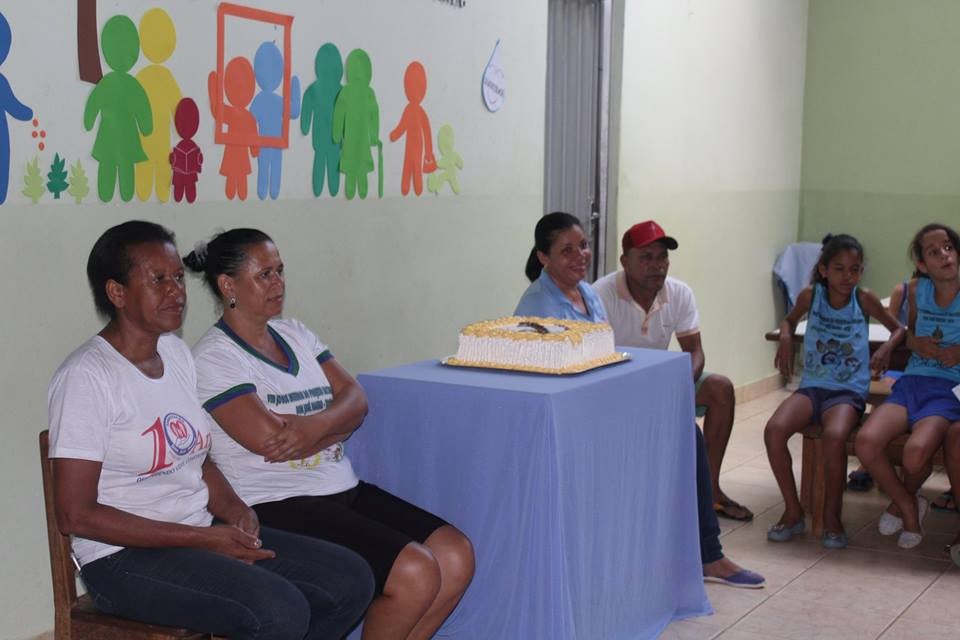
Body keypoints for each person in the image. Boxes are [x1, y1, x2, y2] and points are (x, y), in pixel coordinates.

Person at [48, 221, 374, 639]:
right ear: (117, 292)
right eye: (158, 279)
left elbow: (197, 459)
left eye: (178, 278)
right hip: (122, 559)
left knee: (349, 580)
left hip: (197, 531)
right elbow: (75, 514)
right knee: (279, 611)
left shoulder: (176, 354)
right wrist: (201, 538)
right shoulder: (87, 376)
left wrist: (236, 511)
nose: (176, 291)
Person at [186, 229, 475, 640]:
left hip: (340, 486)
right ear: (228, 286)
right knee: (415, 572)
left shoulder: (296, 334)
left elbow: (356, 399)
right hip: (276, 501)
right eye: (264, 275)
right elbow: (271, 442)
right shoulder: (215, 357)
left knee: (456, 555)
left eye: (280, 271)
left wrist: (312, 426)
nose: (278, 283)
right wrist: (334, 423)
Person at [516, 212, 765, 588]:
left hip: (606, 400)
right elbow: (553, 377)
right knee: (684, 437)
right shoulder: (542, 304)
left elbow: (604, 356)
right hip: (572, 418)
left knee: (688, 433)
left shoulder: (585, 294)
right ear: (543, 257)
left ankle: (703, 552)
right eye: (566, 250)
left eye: (583, 246)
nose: (580, 256)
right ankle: (703, 554)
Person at [593, 220, 753, 523]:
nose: (658, 266)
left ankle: (710, 491)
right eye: (646, 257)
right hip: (614, 385)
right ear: (625, 261)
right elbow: (594, 358)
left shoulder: (679, 293)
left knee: (720, 388)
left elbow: (695, 351)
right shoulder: (601, 294)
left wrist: (678, 384)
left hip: (661, 381)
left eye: (662, 257)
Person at [763, 234, 904, 548]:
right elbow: (788, 321)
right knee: (774, 430)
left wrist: (885, 350)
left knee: (835, 435)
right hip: (812, 387)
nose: (847, 276)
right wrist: (786, 336)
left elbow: (899, 329)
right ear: (824, 270)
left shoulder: (863, 299)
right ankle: (793, 510)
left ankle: (831, 516)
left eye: (854, 270)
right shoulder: (811, 296)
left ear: (861, 272)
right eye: (839, 269)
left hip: (847, 391)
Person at [856, 223, 960, 549]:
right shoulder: (916, 291)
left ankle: (902, 501)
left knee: (915, 456)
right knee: (866, 441)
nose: (944, 255)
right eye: (934, 252)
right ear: (922, 265)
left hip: (949, 390)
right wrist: (917, 344)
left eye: (948, 247)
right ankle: (907, 506)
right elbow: (908, 334)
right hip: (912, 383)